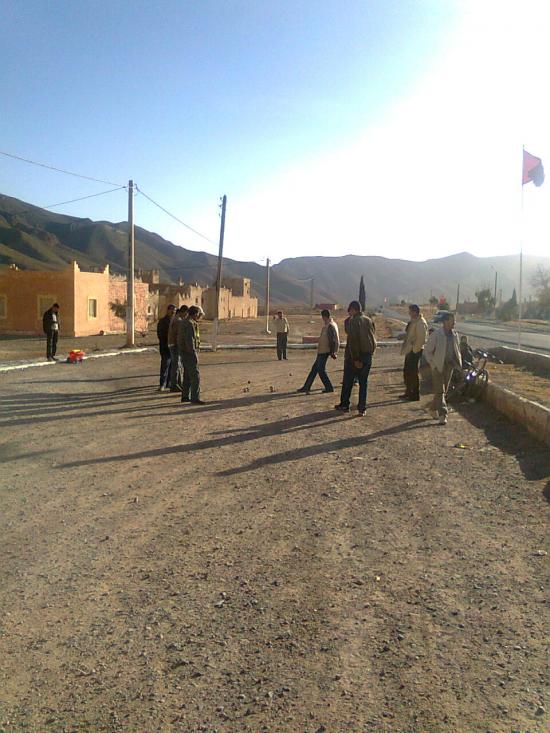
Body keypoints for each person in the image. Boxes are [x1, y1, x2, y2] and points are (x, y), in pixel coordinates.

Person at [335, 300, 377, 416]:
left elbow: (353, 341)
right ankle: (362, 407)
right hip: (368, 356)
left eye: (350, 310)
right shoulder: (369, 320)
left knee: (348, 382)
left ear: (353, 309)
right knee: (363, 383)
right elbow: (373, 337)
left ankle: (344, 405)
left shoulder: (354, 321)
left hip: (355, 357)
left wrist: (356, 359)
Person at [424, 312, 462, 425]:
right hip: (438, 366)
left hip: (449, 366)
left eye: (454, 320)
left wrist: (458, 363)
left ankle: (432, 409)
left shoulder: (455, 334)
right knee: (440, 391)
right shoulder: (437, 334)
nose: (454, 323)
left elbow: (457, 350)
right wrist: (433, 363)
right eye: (452, 320)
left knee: (442, 391)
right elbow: (427, 351)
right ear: (445, 321)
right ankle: (443, 414)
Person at [297, 309, 339, 393]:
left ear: (324, 317)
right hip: (323, 350)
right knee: (314, 369)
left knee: (321, 370)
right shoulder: (329, 324)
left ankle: (329, 387)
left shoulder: (330, 325)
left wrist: (332, 352)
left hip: (325, 351)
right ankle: (307, 386)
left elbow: (333, 340)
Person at [399, 304, 428, 401]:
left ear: (415, 312)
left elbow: (421, 339)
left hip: (415, 351)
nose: (409, 313)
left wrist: (415, 349)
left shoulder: (420, 323)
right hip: (410, 350)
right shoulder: (414, 321)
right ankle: (408, 391)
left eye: (411, 311)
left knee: (413, 372)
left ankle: (414, 394)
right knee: (407, 372)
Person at [178, 305, 205, 405]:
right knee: (195, 376)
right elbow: (190, 340)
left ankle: (185, 396)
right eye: (198, 314)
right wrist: (194, 353)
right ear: (195, 314)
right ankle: (195, 397)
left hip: (184, 352)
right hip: (189, 353)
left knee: (187, 376)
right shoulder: (189, 324)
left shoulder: (185, 322)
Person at [167, 305, 188, 392]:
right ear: (184, 312)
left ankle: (177, 383)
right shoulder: (179, 321)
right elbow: (180, 335)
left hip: (172, 344)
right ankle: (174, 384)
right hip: (175, 345)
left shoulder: (174, 318)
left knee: (176, 365)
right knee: (176, 366)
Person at [157, 304, 175, 391]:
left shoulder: (175, 320)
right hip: (165, 347)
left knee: (172, 366)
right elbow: (160, 334)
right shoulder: (163, 321)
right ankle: (162, 384)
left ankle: (169, 383)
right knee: (165, 366)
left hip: (173, 347)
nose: (173, 312)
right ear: (168, 310)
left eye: (174, 310)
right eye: (172, 310)